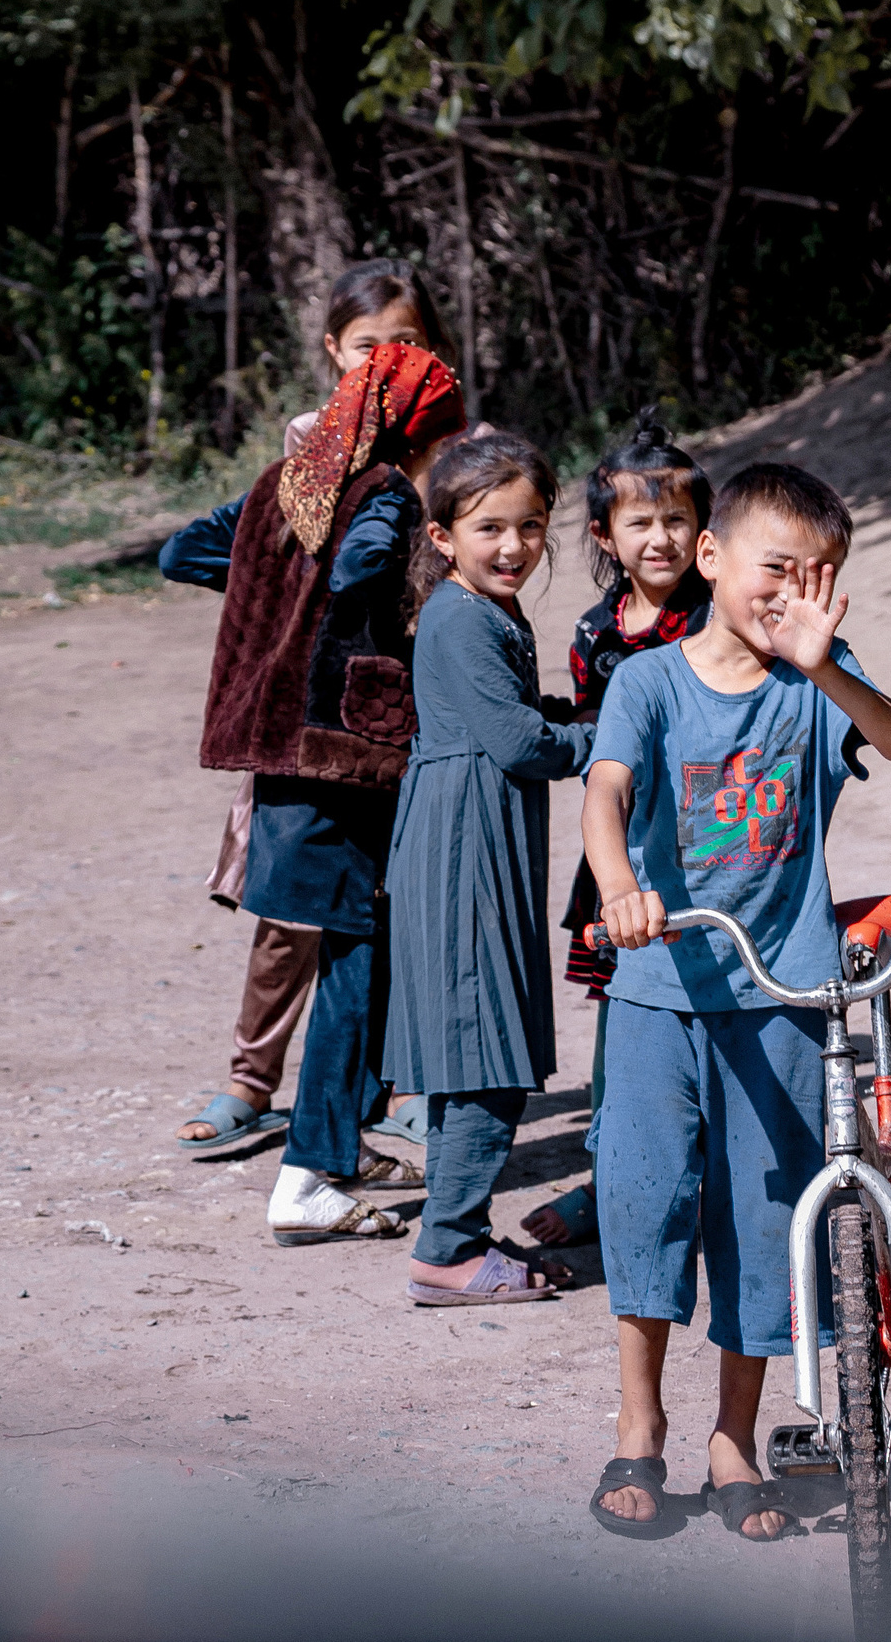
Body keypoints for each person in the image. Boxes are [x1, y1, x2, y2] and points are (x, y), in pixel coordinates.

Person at [581, 462, 891, 1543]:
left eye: (819, 578)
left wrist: (829, 671)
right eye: (777, 571)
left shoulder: (816, 680)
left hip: (780, 993)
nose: (793, 595)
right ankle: (639, 1429)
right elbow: (606, 794)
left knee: (764, 1224)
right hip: (658, 990)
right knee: (642, 1202)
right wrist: (620, 891)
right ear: (713, 558)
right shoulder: (648, 684)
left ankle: (735, 1438)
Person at [172, 340, 465, 1244]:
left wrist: (278, 597)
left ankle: (334, 1141)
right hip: (340, 759)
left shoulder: (279, 484)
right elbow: (359, 569)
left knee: (354, 954)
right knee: (355, 961)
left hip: (280, 760)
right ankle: (307, 1180)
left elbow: (184, 552)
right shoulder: (379, 492)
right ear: (415, 427)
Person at [384, 430, 592, 1304]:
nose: (514, 547)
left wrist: (578, 708)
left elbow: (505, 710)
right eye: (490, 529)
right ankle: (448, 1253)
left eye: (533, 526)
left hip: (467, 835)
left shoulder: (479, 609)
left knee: (474, 1046)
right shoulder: (462, 614)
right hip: (465, 845)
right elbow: (516, 741)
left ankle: (459, 1230)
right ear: (443, 537)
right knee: (486, 1058)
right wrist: (608, 736)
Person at [523, 407, 713, 1250]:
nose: (661, 537)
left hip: (717, 844)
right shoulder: (597, 633)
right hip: (623, 857)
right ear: (605, 533)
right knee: (623, 1020)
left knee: (721, 1011)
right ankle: (613, 1179)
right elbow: (604, 745)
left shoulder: (720, 618)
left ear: (706, 531)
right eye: (641, 521)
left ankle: (722, 1169)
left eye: (678, 518)